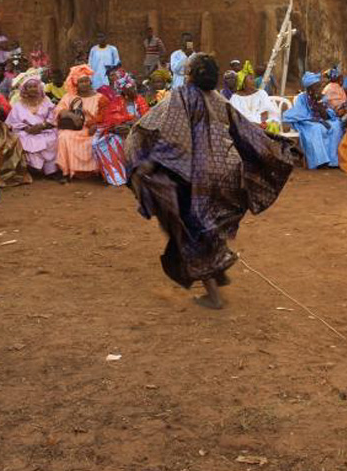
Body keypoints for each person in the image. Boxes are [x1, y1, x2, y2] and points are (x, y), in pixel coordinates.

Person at [124, 53, 297, 309]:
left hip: (193, 176)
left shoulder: (181, 96)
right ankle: (219, 271)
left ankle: (213, 295)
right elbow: (244, 129)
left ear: (191, 73)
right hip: (223, 173)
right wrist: (275, 148)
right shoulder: (217, 99)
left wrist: (147, 163)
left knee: (191, 231)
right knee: (207, 225)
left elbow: (173, 135)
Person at [93, 72, 147, 186]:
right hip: (121, 133)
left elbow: (147, 118)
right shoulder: (116, 102)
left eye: (133, 88)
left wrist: (133, 126)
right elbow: (111, 120)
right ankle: (118, 176)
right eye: (130, 89)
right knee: (112, 142)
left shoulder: (140, 100)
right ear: (123, 91)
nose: (133, 91)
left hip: (139, 131)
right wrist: (118, 127)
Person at [283, 72, 344, 169]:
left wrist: (320, 105)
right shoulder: (301, 98)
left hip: (321, 120)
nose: (319, 89)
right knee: (316, 129)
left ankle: (333, 161)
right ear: (309, 89)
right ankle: (320, 161)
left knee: (336, 125)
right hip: (308, 122)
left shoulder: (322, 97)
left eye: (319, 86)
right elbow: (300, 113)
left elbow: (326, 115)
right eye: (316, 87)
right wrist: (318, 121)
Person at [54, 65, 103, 182]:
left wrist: (96, 126)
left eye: (87, 81)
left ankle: (98, 171)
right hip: (75, 129)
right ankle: (66, 172)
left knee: (99, 138)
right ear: (76, 83)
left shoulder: (100, 97)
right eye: (81, 82)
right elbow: (59, 110)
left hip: (93, 129)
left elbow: (106, 116)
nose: (84, 84)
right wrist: (72, 115)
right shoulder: (69, 97)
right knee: (64, 136)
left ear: (90, 82)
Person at [6, 77, 59, 177]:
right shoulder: (18, 105)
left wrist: (43, 126)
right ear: (25, 89)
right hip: (27, 131)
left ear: (39, 87)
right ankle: (35, 169)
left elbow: (53, 116)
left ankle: (51, 171)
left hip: (45, 129)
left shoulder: (46, 100)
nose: (33, 89)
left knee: (52, 138)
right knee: (22, 139)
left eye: (35, 86)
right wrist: (28, 129)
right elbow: (13, 122)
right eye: (29, 87)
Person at [230, 61, 280, 132]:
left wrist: (263, 123)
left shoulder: (261, 93)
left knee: (273, 124)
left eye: (253, 78)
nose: (254, 81)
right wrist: (252, 124)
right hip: (245, 125)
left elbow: (266, 110)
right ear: (242, 83)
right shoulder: (235, 98)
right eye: (250, 79)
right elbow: (236, 117)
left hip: (261, 123)